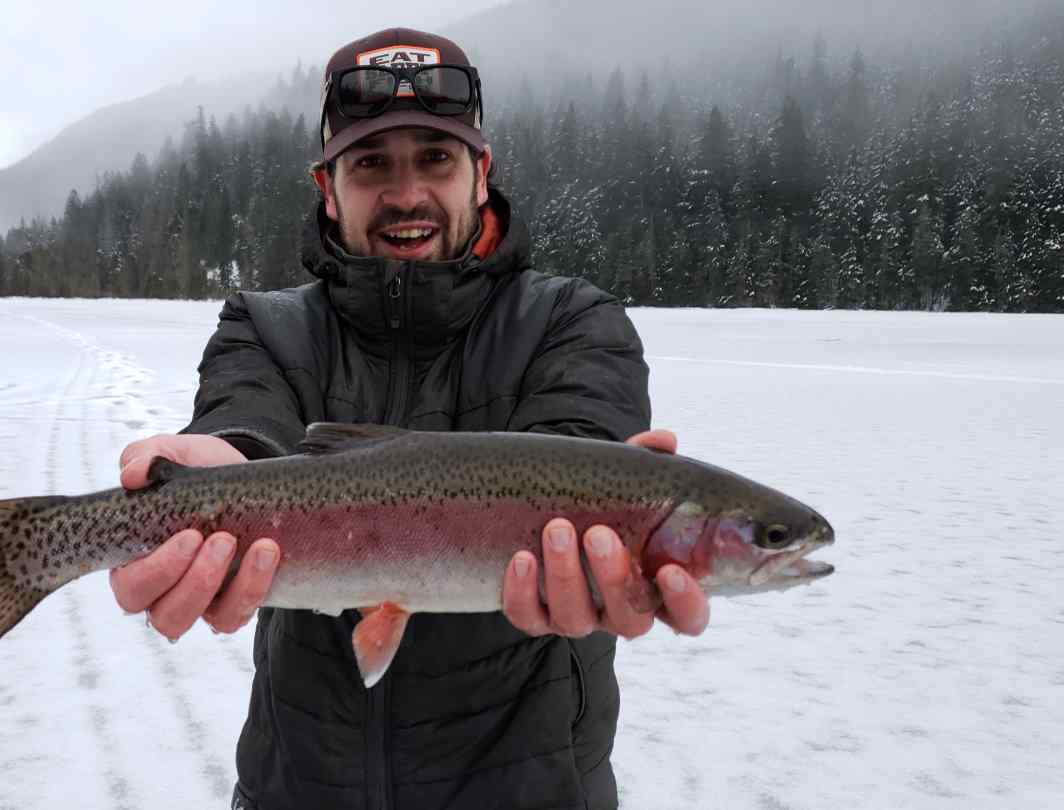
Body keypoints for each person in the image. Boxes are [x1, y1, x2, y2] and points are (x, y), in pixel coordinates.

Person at [110, 27, 710, 810]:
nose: (406, 194)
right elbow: (243, 422)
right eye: (371, 165)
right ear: (328, 188)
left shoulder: (571, 320)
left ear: (481, 174)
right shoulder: (264, 324)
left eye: (435, 159)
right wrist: (223, 463)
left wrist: (607, 515)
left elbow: (584, 441)